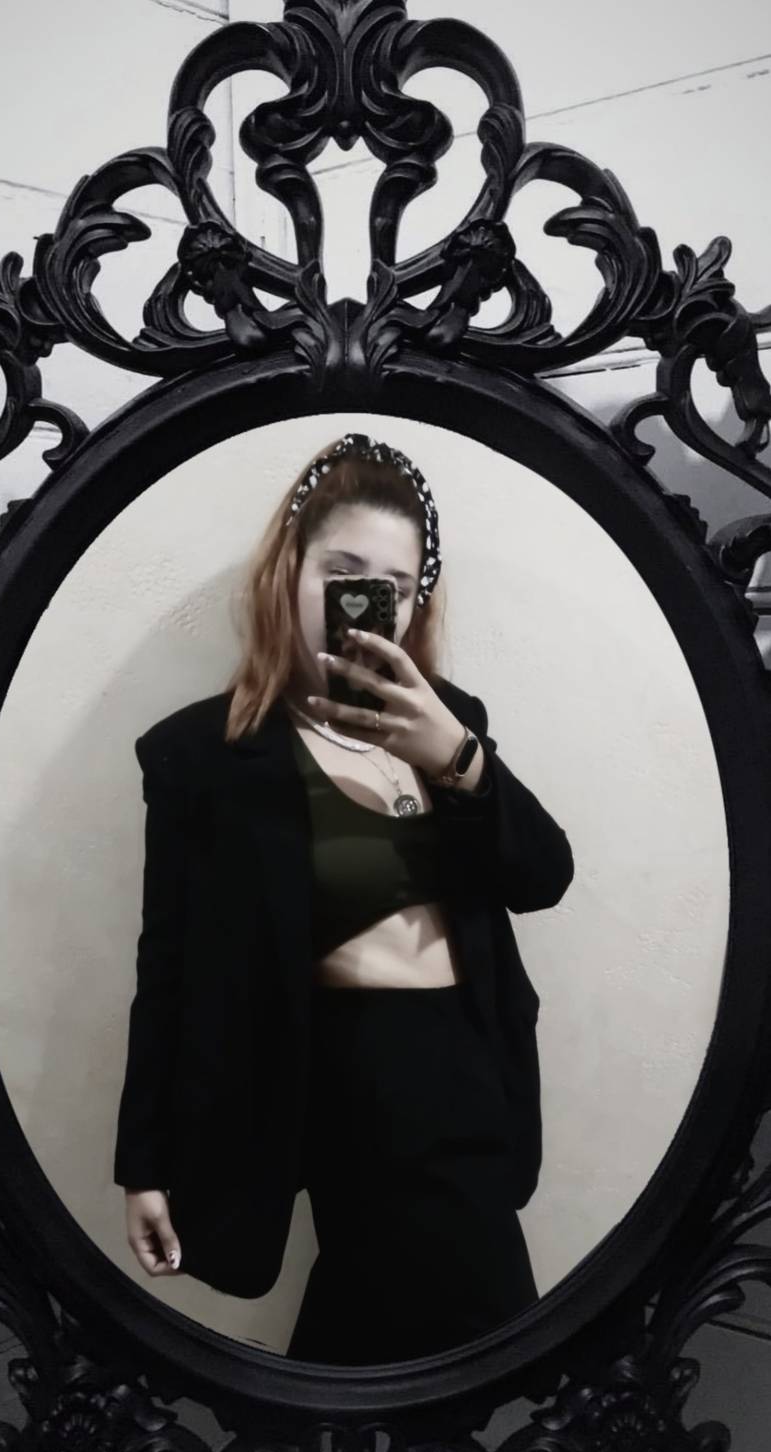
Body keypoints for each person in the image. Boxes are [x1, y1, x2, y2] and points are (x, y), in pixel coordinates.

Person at [113, 431, 575, 1364]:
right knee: (467, 1364)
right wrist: (144, 1162)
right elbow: (166, 964)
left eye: (394, 586)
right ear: (288, 571)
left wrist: (455, 757)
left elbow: (543, 877)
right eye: (342, 572)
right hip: (343, 1099)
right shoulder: (205, 757)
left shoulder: (450, 723)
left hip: (468, 1086)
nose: (367, 602)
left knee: (416, 1359)